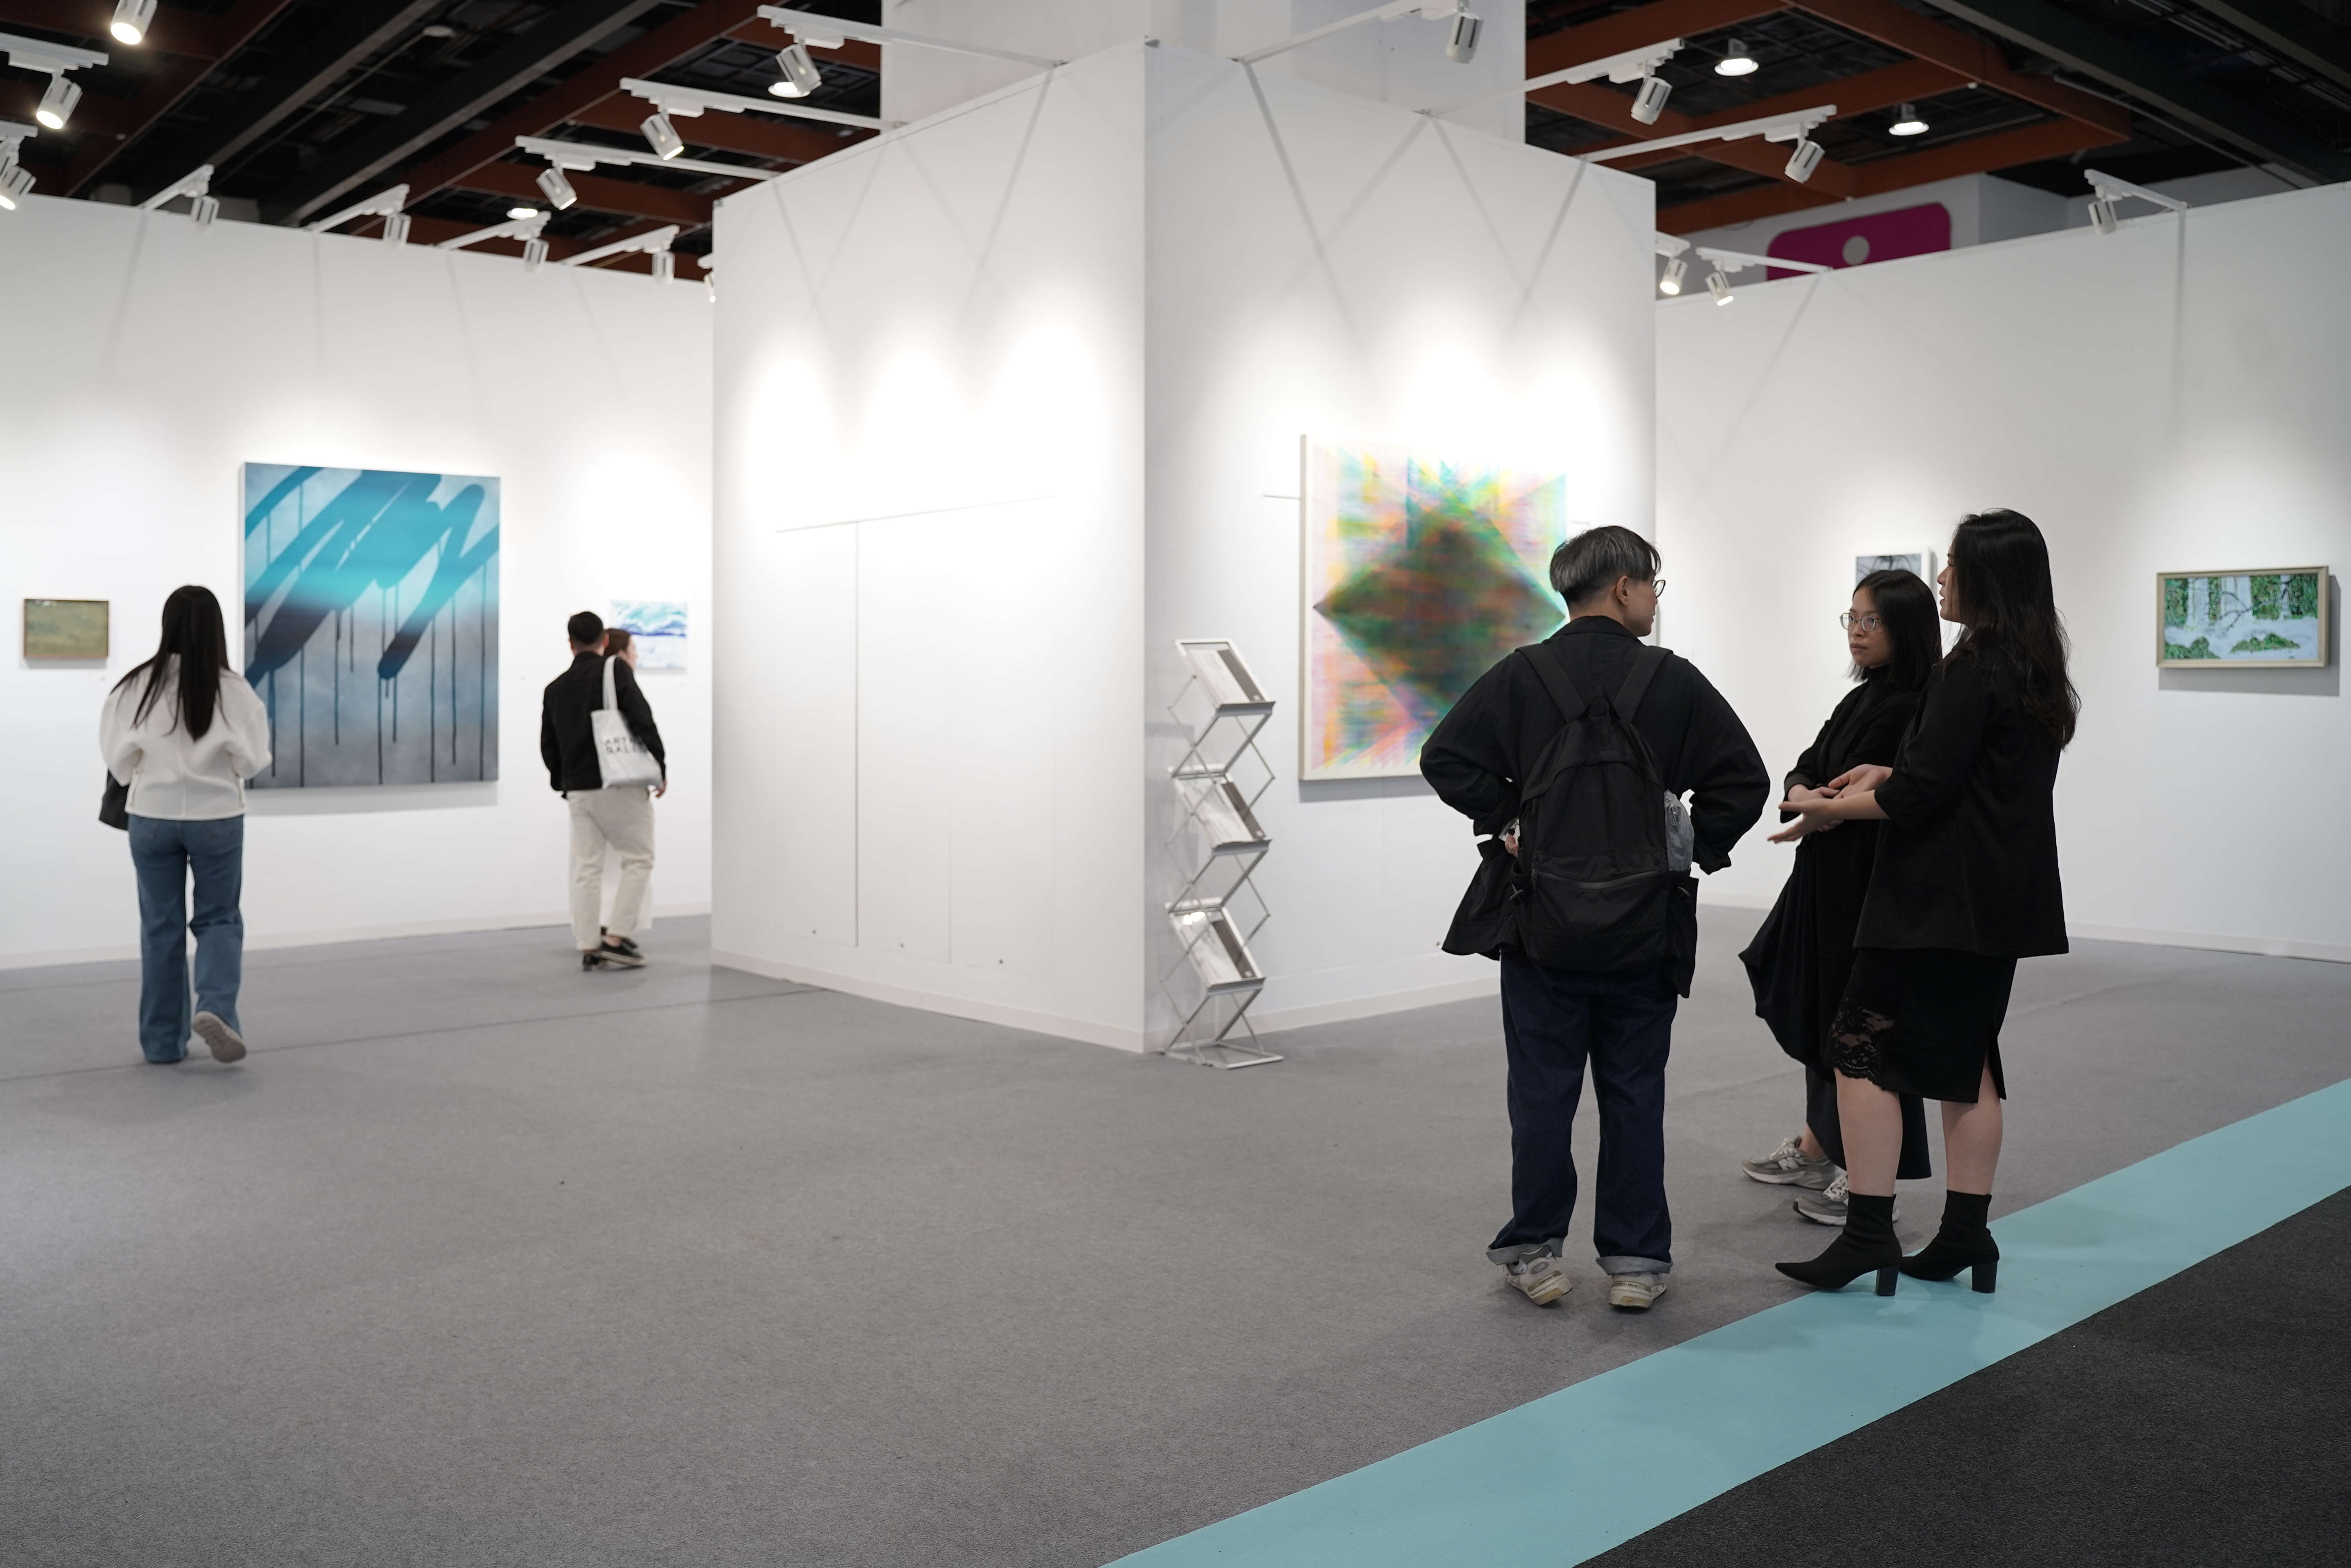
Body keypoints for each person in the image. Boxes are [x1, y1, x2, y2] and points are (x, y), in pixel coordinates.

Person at [1424, 526, 1769, 1311]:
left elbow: (1443, 757)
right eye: (1652, 585)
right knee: (1634, 1092)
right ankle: (1636, 1260)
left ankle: (1533, 1252)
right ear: (1622, 587)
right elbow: (1742, 780)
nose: (1652, 600)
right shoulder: (1670, 680)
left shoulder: (1521, 674)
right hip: (1644, 926)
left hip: (1538, 923)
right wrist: (1687, 846)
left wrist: (1508, 819)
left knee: (1540, 1094)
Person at [1769, 510, 2075, 1296]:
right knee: (1967, 1061)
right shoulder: (2035, 665)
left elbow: (1921, 795)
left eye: (1953, 564)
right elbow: (1964, 777)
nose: (1940, 576)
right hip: (1998, 900)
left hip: (1932, 901)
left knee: (1858, 1050)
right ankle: (1965, 1234)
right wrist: (1884, 771)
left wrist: (1829, 808)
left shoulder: (1968, 665)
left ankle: (1867, 1232)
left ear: (1985, 576)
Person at [1738, 570, 1941, 1226]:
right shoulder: (1863, 696)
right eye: (1850, 618)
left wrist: (1819, 799)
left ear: (1904, 627)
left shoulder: (1918, 703)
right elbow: (1808, 763)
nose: (1856, 631)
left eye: (1870, 620)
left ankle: (1866, 1173)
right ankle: (1819, 1146)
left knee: (1863, 1032)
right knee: (1818, 1010)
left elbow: (1881, 793)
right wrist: (1804, 793)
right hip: (1826, 878)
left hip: (1870, 885)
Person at [99, 586, 272, 1065]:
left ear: (167, 624)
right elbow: (253, 762)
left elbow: (118, 762)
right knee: (219, 919)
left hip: (152, 819)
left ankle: (161, 1044)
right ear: (216, 629)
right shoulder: (234, 691)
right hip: (216, 818)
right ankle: (215, 1006)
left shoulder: (135, 687)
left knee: (161, 926)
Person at [541, 610, 666, 972]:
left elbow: (549, 746)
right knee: (638, 859)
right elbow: (642, 719)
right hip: (617, 783)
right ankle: (616, 938)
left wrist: (563, 785)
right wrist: (660, 767)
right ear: (605, 640)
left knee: (587, 868)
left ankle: (588, 944)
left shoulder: (555, 688)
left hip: (579, 790)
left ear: (570, 643)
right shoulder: (615, 671)